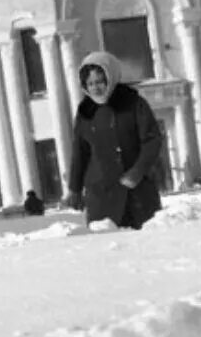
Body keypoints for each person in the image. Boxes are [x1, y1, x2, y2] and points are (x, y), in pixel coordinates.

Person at [66, 51, 162, 230]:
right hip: (101, 195)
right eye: (91, 83)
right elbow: (80, 151)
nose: (96, 88)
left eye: (100, 82)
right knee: (108, 248)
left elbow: (152, 140)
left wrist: (138, 171)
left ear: (111, 78)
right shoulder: (85, 111)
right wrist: (75, 188)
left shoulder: (133, 103)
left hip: (137, 193)